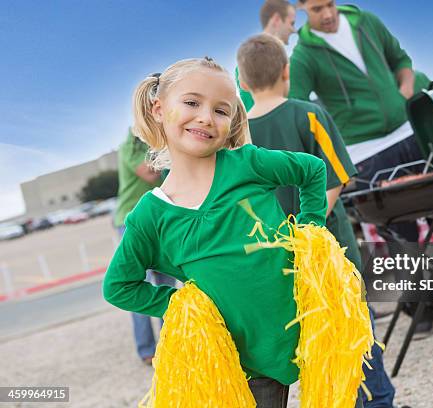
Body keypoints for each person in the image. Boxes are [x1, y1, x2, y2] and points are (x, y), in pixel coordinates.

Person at [103, 56, 335, 407]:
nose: (206, 118)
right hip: (243, 361)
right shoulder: (149, 216)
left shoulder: (248, 164)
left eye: (221, 110)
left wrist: (312, 232)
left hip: (313, 329)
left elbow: (313, 170)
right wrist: (184, 306)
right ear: (159, 108)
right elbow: (118, 287)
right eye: (192, 103)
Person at [289, 0, 433, 341]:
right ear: (300, 7)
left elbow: (401, 61)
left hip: (409, 133)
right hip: (365, 152)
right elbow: (297, 104)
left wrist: (404, 94)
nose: (326, 13)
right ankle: (421, 307)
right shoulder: (304, 56)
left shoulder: (367, 21)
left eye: (329, 4)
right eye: (316, 7)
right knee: (399, 232)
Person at [237, 33, 396, 408]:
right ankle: (376, 401)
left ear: (242, 83)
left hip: (276, 262)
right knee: (355, 332)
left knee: (307, 340)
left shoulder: (239, 135)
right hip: (331, 254)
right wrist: (307, 233)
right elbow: (336, 178)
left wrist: (286, 240)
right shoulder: (308, 113)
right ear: (287, 71)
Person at [113, 128, 176, 365]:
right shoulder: (131, 144)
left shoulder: (161, 139)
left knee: (167, 284)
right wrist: (175, 153)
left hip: (158, 218)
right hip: (131, 220)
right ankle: (147, 350)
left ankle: (169, 344)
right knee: (139, 286)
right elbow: (149, 174)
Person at [237, 0, 296, 111]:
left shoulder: (244, 62)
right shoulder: (282, 64)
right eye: (291, 23)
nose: (293, 30)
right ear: (277, 19)